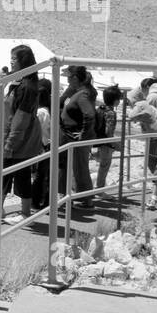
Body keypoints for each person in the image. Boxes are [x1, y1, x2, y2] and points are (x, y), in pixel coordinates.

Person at [0, 44, 42, 219]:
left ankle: (26, 214)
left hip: (19, 142)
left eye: (14, 59)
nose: (11, 62)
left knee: (21, 176)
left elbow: (21, 119)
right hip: (10, 138)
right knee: (5, 175)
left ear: (23, 62)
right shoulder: (19, 82)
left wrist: (10, 144)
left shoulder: (27, 87)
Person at [58, 66, 97, 208]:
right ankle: (79, 197)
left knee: (80, 168)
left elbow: (90, 114)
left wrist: (83, 133)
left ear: (75, 78)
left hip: (76, 138)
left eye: (69, 77)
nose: (67, 80)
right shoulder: (79, 93)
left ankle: (86, 200)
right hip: (70, 136)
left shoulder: (82, 95)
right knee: (74, 168)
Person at [95, 85, 123, 192]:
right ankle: (100, 189)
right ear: (116, 101)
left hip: (95, 141)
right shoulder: (111, 113)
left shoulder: (100, 108)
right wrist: (115, 145)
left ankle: (98, 188)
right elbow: (109, 131)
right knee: (104, 166)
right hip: (105, 144)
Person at [32, 78, 53, 210]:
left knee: (39, 176)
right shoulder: (48, 109)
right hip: (47, 145)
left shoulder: (40, 112)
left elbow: (37, 131)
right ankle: (45, 201)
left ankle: (36, 202)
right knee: (44, 175)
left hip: (41, 146)